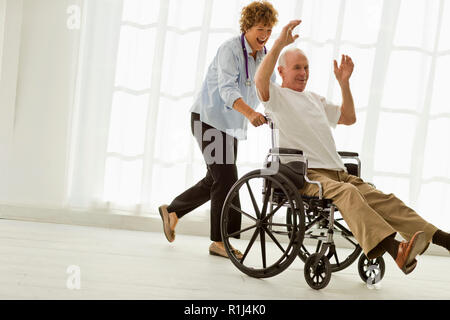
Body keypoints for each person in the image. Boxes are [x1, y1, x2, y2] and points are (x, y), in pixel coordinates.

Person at [255, 20, 449, 274]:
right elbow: (260, 80)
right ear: (281, 72)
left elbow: (348, 117)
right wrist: (280, 42)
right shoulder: (277, 97)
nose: (303, 72)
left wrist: (344, 83)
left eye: (306, 67)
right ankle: (396, 251)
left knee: (385, 200)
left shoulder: (315, 99)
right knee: (348, 194)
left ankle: (445, 239)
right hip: (306, 174)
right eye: (297, 68)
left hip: (339, 173)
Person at [158, 1, 278, 259]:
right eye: (260, 28)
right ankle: (220, 241)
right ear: (247, 27)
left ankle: (173, 211)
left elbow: (272, 89)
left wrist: (278, 111)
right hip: (208, 120)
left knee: (215, 179)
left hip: (230, 126)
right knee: (226, 179)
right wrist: (251, 113)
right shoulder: (230, 50)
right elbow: (227, 90)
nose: (264, 35)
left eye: (269, 30)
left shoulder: (264, 56)